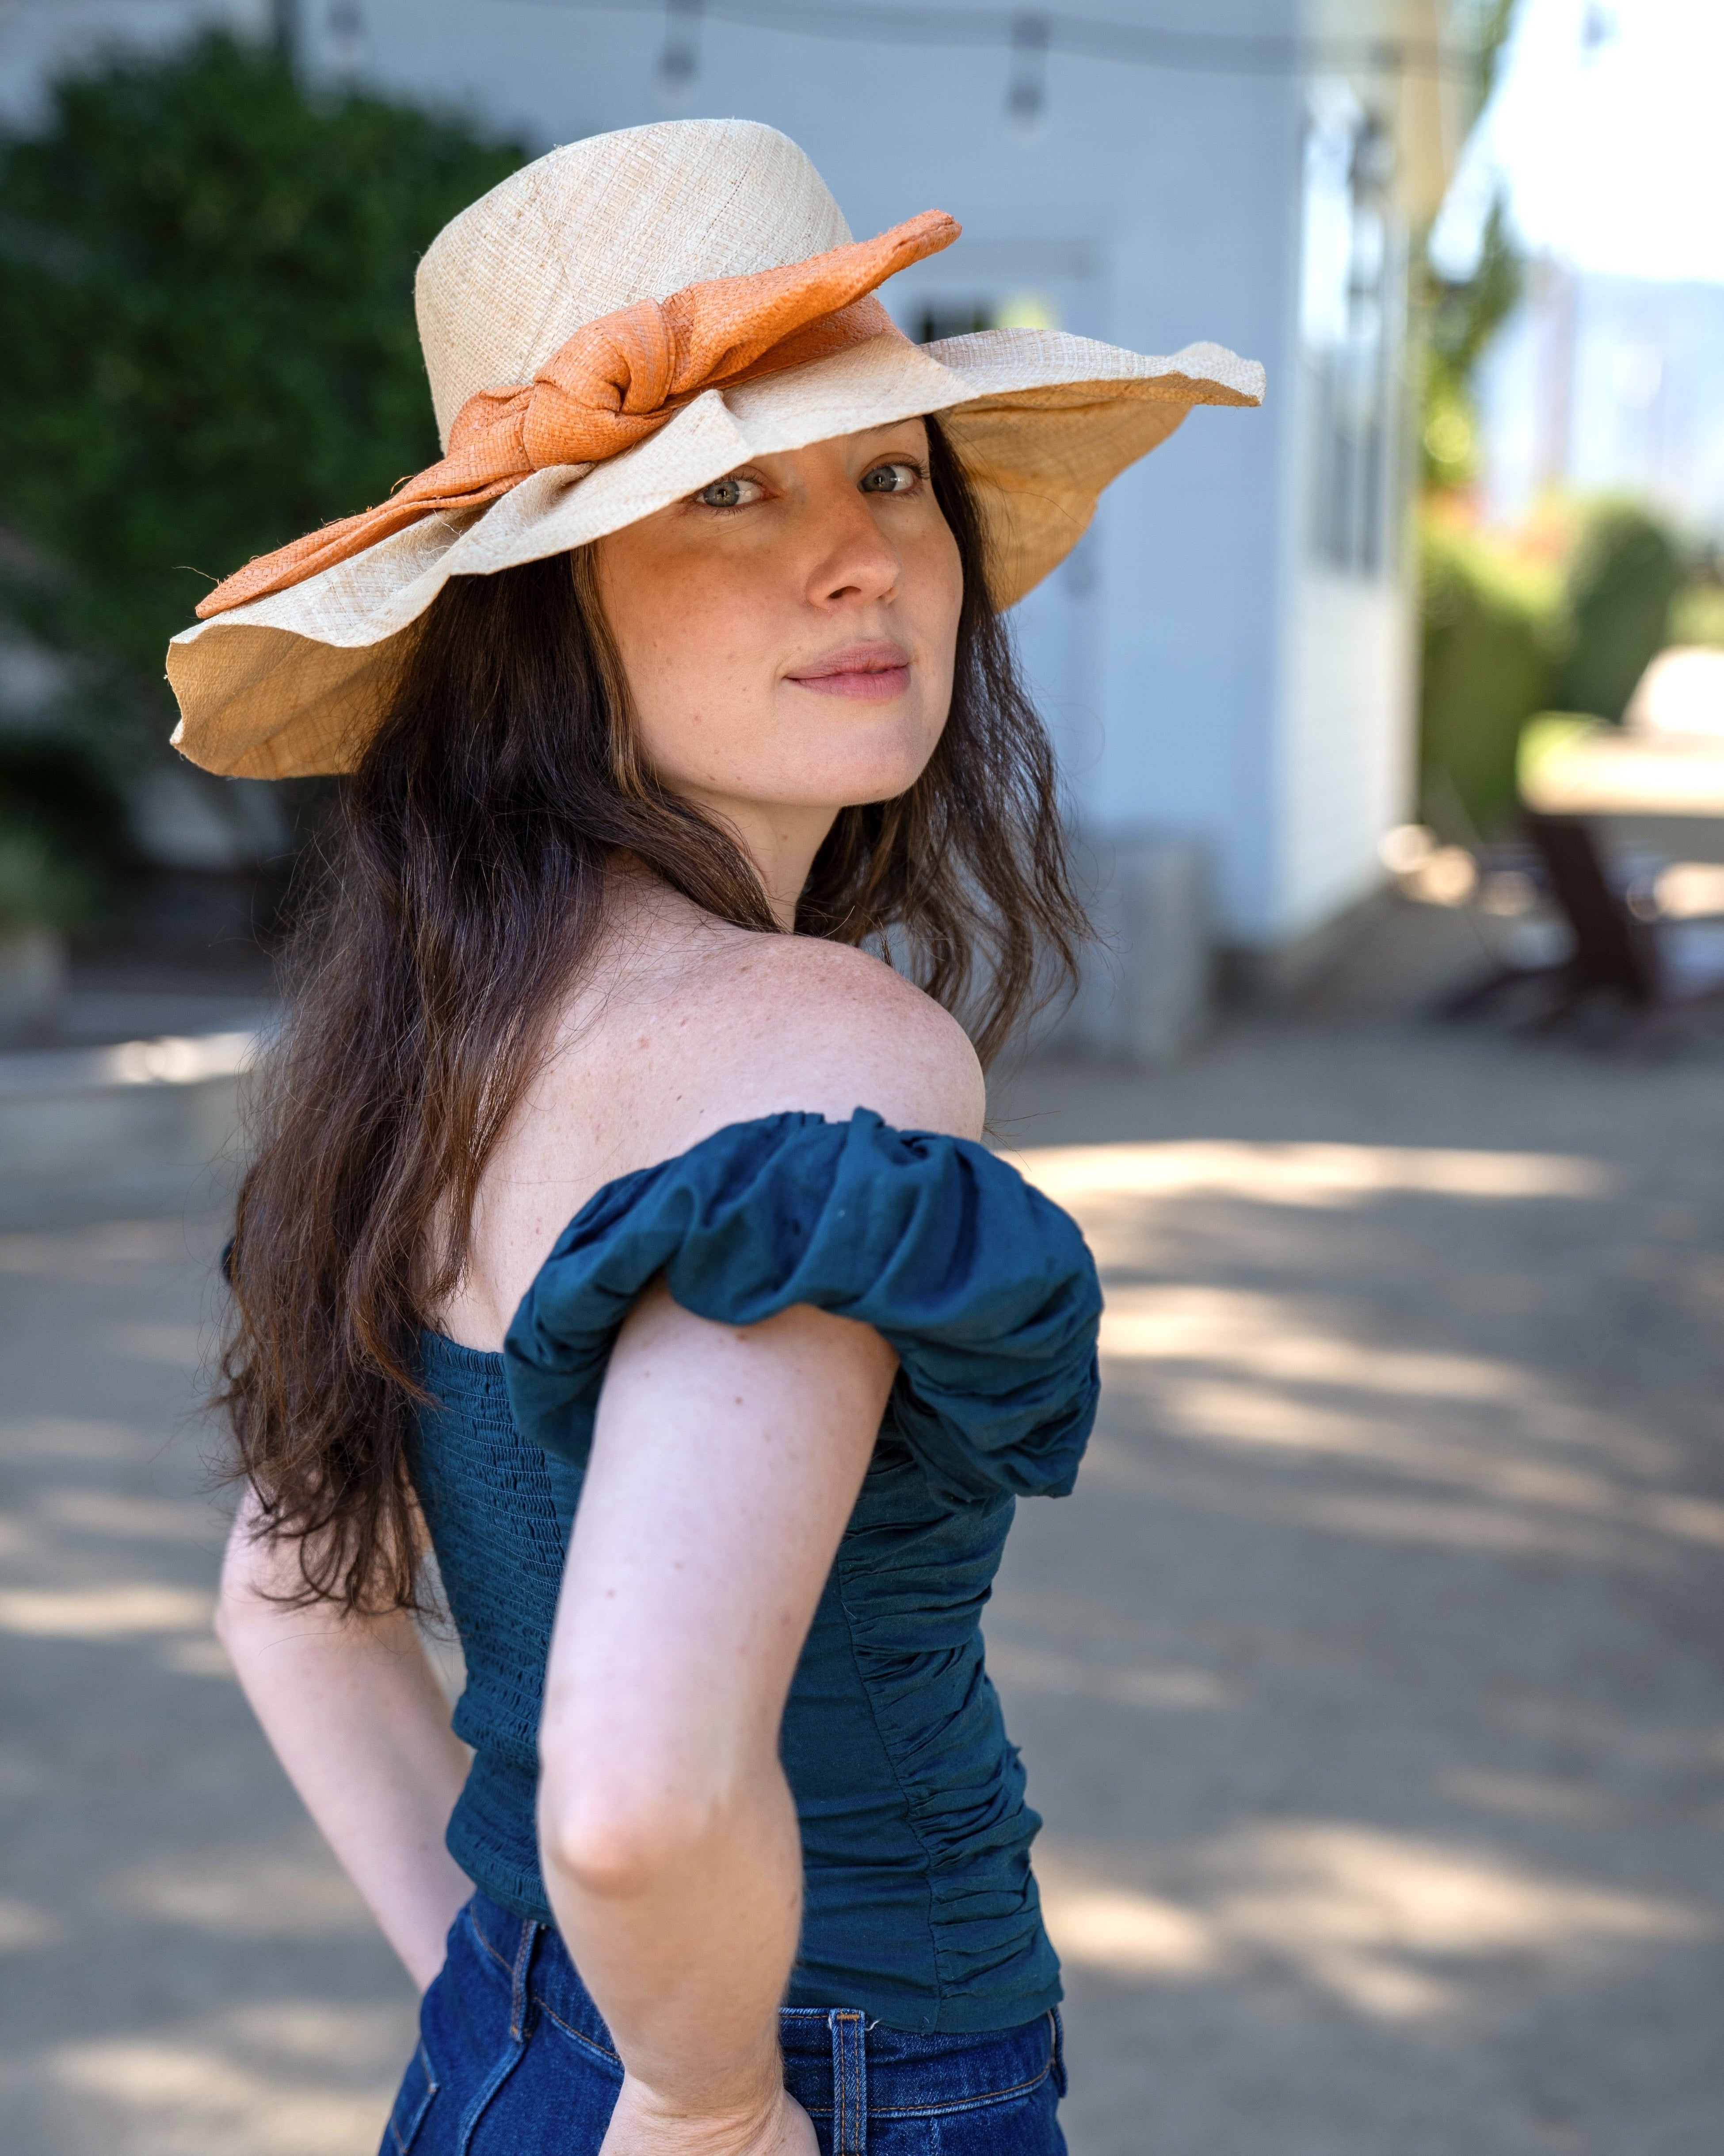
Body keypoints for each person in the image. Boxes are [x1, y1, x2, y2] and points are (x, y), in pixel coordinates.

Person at [170, 120, 1260, 2156]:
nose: (857, 554)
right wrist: (698, 2101)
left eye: (888, 471)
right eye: (728, 492)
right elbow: (637, 1790)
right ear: (544, 613)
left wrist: (506, 2016)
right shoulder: (819, 1052)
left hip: (510, 2048)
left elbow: (288, 1602)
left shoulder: (441, 1039)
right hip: (799, 2085)